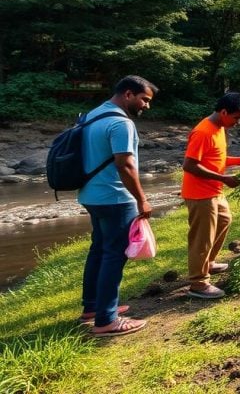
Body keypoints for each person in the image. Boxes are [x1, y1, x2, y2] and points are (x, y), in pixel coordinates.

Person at [78, 75, 157, 337]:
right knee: (114, 256)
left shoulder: (93, 115)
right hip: (115, 198)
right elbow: (125, 165)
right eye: (144, 99)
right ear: (128, 94)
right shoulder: (122, 123)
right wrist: (142, 199)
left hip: (91, 195)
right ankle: (107, 320)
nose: (146, 105)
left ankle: (93, 308)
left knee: (99, 250)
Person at [181, 92, 240, 299]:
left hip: (214, 191)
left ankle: (208, 263)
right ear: (223, 112)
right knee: (202, 238)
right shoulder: (203, 131)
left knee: (224, 220)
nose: (238, 122)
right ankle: (198, 283)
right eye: (236, 117)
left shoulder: (220, 128)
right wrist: (224, 179)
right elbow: (190, 165)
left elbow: (216, 157)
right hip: (200, 194)